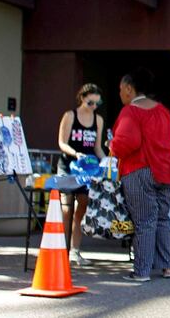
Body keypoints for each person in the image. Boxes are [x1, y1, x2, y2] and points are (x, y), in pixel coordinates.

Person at [110, 68, 170, 282]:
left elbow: (126, 143)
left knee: (145, 221)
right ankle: (166, 266)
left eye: (121, 89)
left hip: (141, 171)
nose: (120, 94)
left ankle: (141, 271)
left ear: (129, 88)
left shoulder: (131, 112)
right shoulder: (162, 110)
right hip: (168, 171)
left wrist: (111, 145)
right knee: (162, 218)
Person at [57, 83, 106, 266]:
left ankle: (75, 251)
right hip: (68, 165)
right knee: (66, 207)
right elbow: (62, 142)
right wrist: (75, 153)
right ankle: (61, 247)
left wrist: (106, 162)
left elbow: (97, 147)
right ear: (82, 98)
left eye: (97, 103)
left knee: (83, 205)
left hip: (87, 168)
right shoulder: (70, 115)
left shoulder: (98, 120)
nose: (93, 107)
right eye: (90, 102)